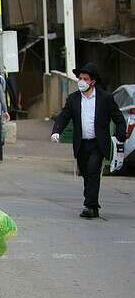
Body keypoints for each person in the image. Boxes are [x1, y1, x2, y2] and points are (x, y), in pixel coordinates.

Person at [51, 62, 126, 219]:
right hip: (81, 143)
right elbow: (64, 116)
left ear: (93, 81)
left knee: (93, 170)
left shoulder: (105, 98)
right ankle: (91, 204)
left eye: (85, 79)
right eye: (80, 78)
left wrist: (120, 138)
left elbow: (119, 119)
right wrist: (56, 131)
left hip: (98, 143)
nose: (81, 81)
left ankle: (90, 206)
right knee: (86, 173)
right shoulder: (73, 99)